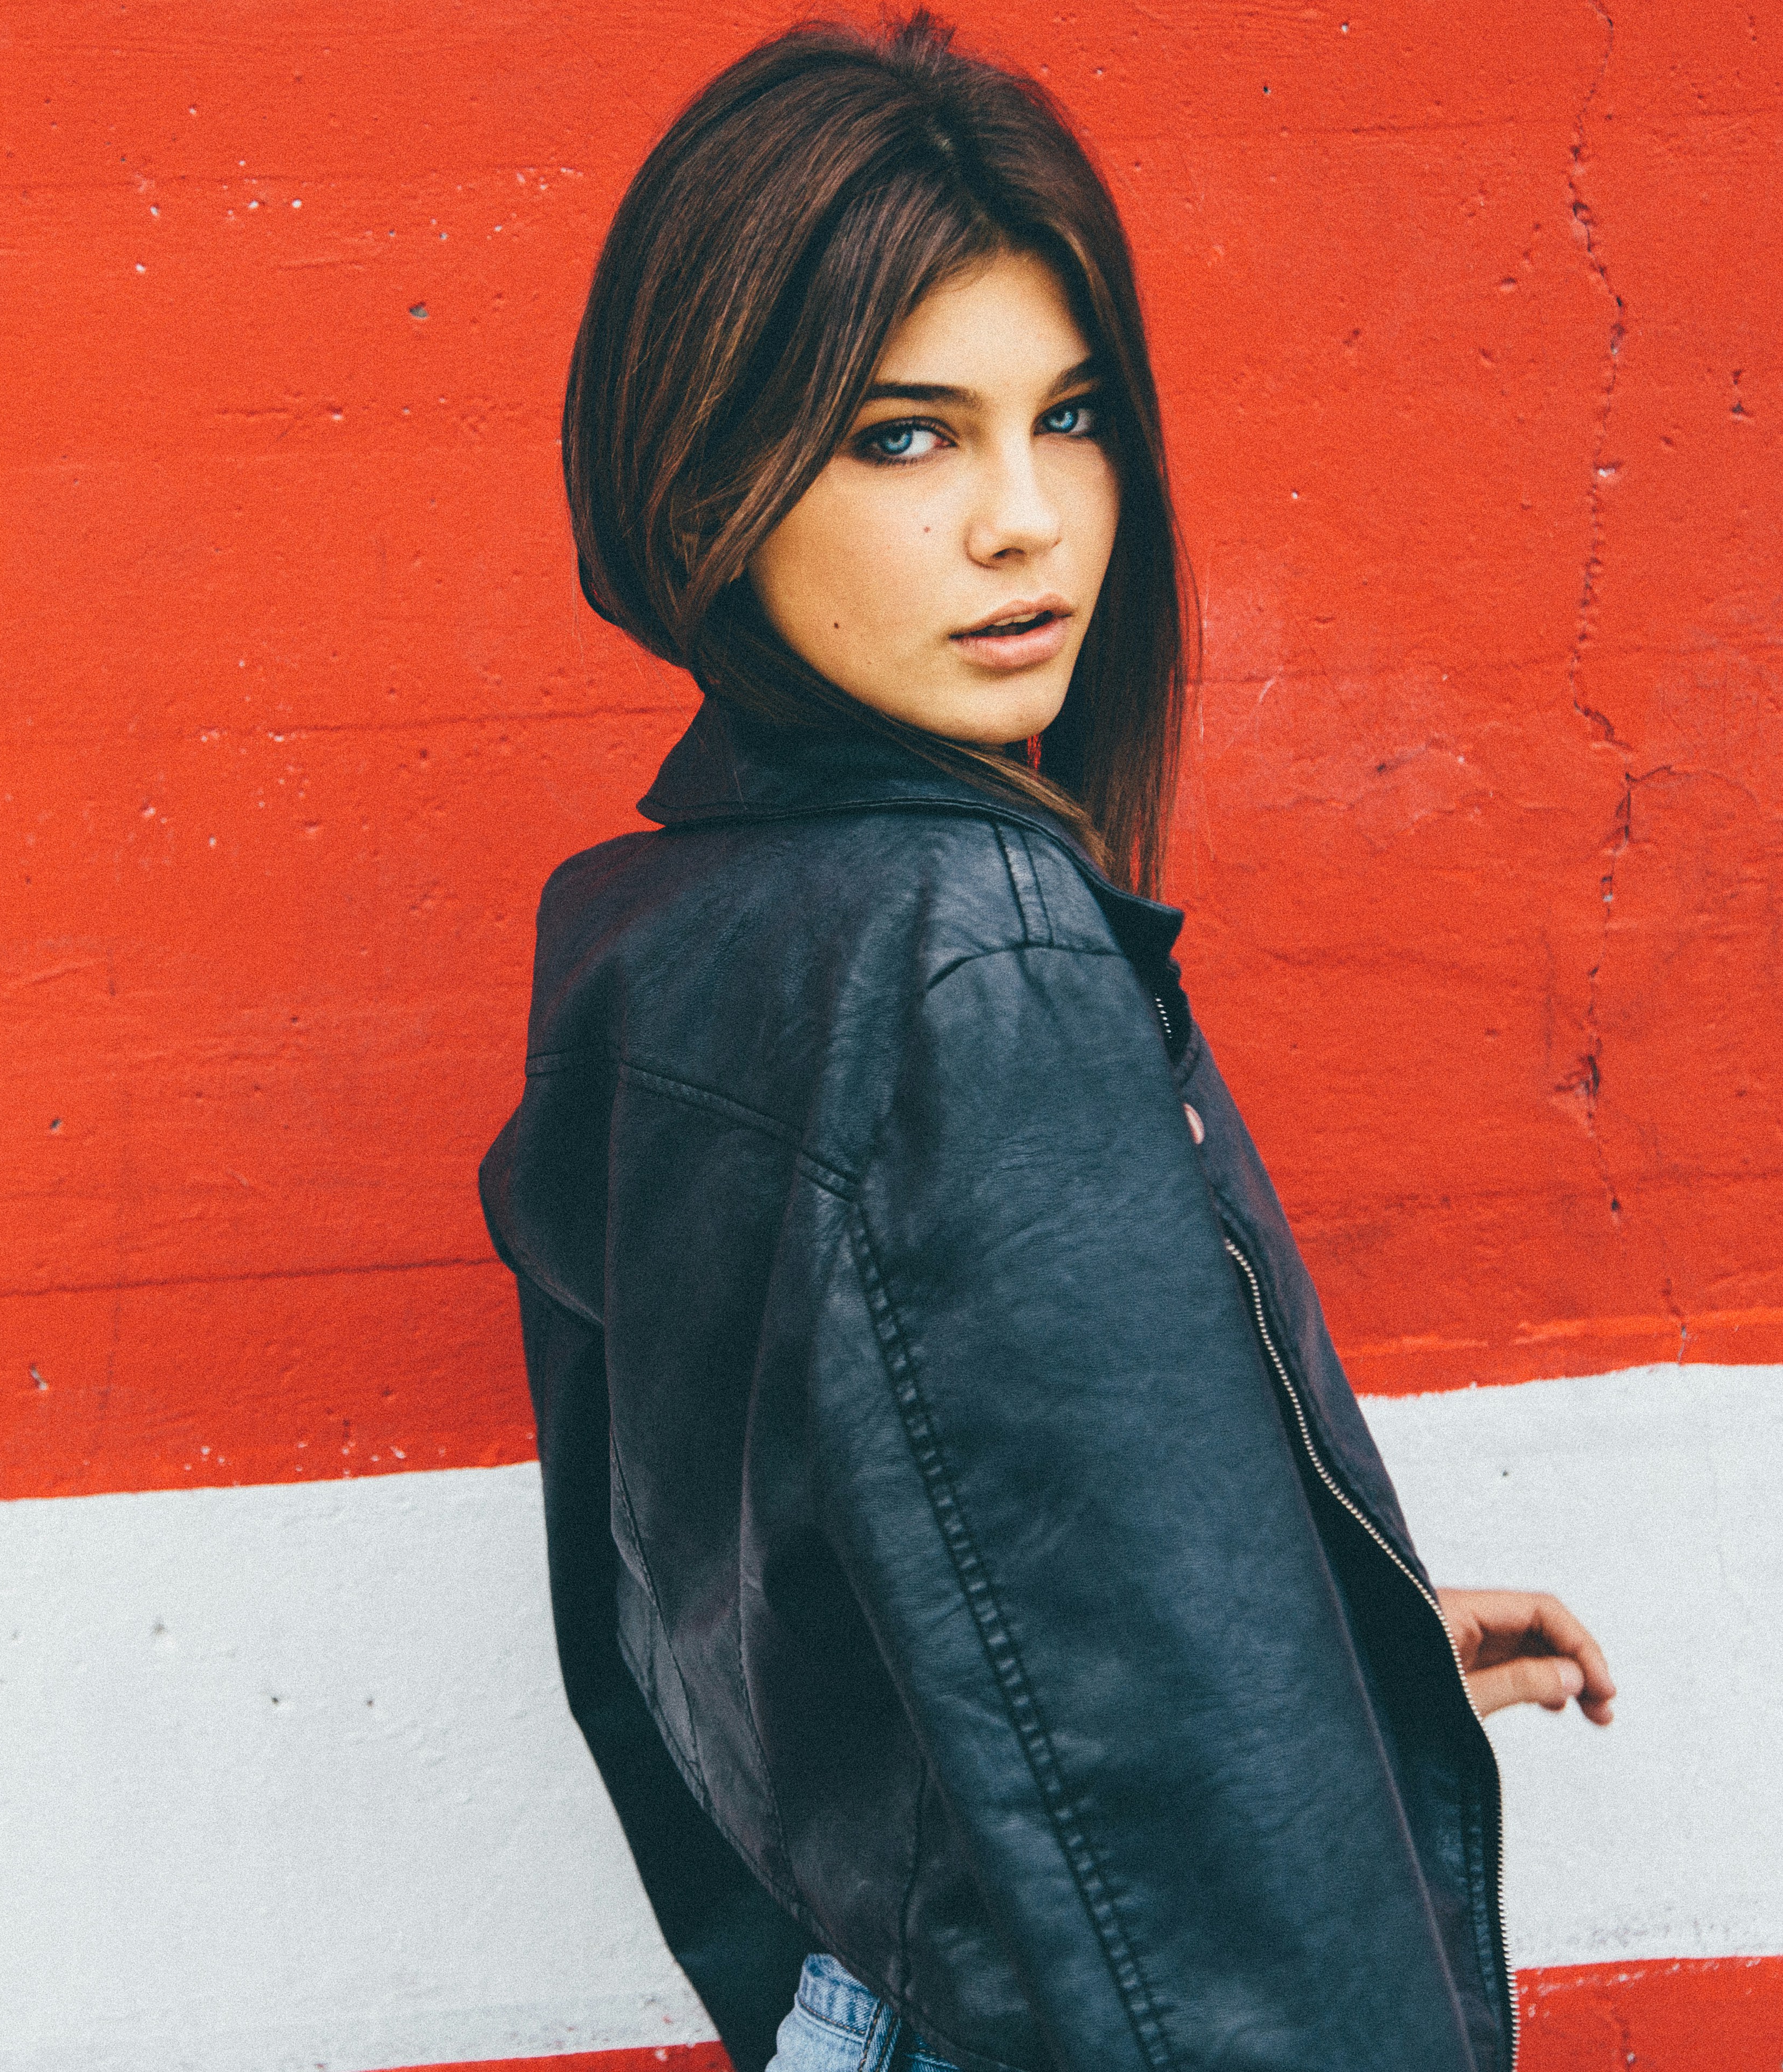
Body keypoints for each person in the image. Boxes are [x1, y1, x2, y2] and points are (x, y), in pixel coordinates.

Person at [477, 16, 1617, 2072]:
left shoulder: (657, 930)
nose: (1031, 523)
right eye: (906, 436)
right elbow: (1191, 1857)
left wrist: (1333, 1648)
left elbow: (748, 1628)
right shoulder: (971, 954)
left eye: (1069, 417)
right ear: (707, 470)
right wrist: (1238, 1734)